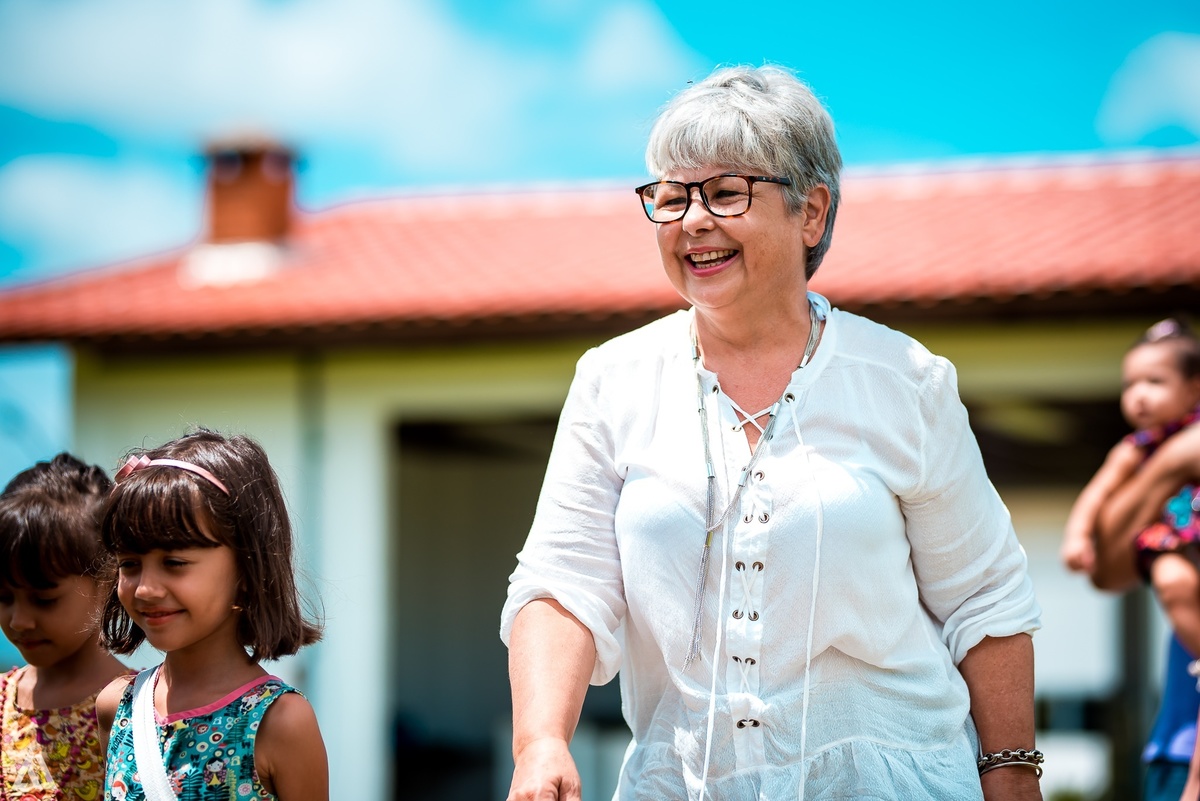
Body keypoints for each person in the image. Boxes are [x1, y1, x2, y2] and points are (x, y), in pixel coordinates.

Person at [500, 65, 1043, 801]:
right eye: (670, 197)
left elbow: (984, 600)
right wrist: (539, 744)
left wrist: (1011, 778)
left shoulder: (905, 379)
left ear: (811, 212)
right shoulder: (611, 379)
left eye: (726, 193)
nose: (692, 220)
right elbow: (563, 586)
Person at [94, 429, 328, 800]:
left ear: (248, 568)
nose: (145, 589)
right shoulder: (116, 707)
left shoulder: (280, 723)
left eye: (175, 562)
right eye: (130, 563)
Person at [1062, 319, 1200, 654]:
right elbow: (1096, 493)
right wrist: (1077, 536)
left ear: (1194, 389)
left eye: (1154, 381)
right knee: (1172, 583)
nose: (1139, 395)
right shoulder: (1133, 449)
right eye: (1130, 384)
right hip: (1168, 541)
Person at [0, 453, 130, 799]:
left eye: (44, 600)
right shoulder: (1, 705)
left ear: (107, 578)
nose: (19, 620)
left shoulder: (139, 708)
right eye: (3, 598)